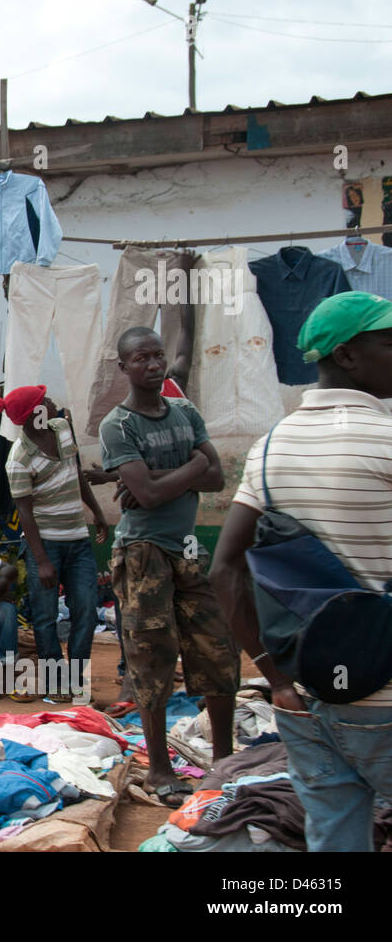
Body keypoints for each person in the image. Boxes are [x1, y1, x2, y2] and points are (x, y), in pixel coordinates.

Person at [210, 291, 392, 851]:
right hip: (385, 702)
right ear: (347, 356)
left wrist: (275, 677)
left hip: (307, 698)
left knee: (333, 841)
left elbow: (223, 568)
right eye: (389, 343)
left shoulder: (269, 449)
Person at [98, 326, 236, 807]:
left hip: (190, 550)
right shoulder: (117, 425)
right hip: (142, 554)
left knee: (217, 653)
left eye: (158, 356)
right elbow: (155, 496)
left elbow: (219, 476)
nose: (154, 365)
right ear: (124, 368)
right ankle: (160, 769)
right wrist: (192, 468)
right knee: (152, 660)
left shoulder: (185, 411)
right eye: (142, 358)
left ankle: (223, 763)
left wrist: (154, 475)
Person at [0, 385, 108, 702]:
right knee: (45, 618)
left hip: (78, 542)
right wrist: (42, 560)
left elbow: (76, 475)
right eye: (43, 401)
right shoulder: (18, 459)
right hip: (45, 545)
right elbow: (25, 513)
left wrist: (97, 513)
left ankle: (73, 679)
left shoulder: (62, 429)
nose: (51, 402)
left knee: (86, 610)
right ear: (34, 413)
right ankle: (57, 682)